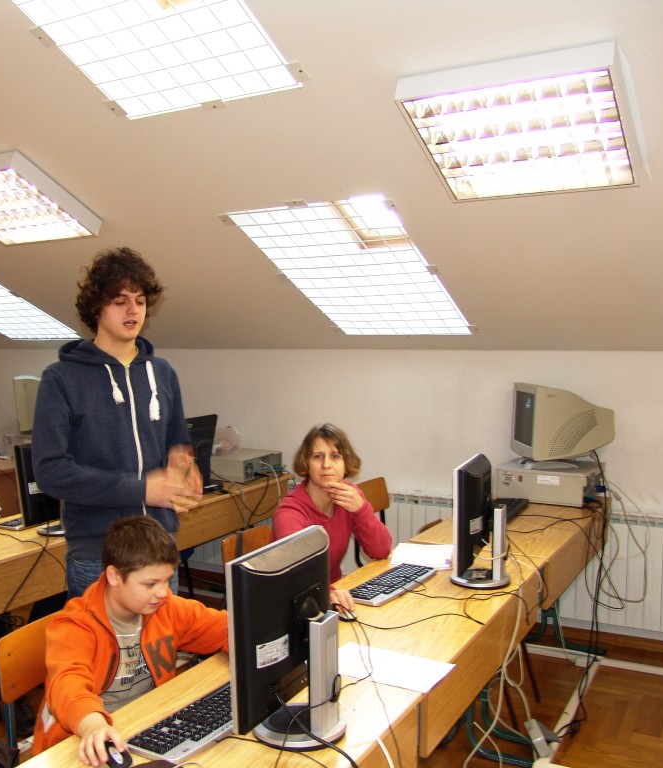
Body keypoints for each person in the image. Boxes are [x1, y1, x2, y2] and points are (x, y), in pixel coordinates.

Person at [31, 247, 200, 599]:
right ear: (97, 307)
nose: (133, 310)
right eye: (120, 301)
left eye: (140, 301)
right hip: (99, 556)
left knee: (163, 638)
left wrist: (183, 464)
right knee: (102, 640)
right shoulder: (61, 379)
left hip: (159, 548)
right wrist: (140, 490)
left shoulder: (162, 372)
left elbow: (177, 440)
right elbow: (50, 472)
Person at [33, 515, 228, 763]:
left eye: (167, 580)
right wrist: (93, 724)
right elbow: (66, 684)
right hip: (81, 736)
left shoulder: (165, 607)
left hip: (143, 720)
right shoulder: (75, 625)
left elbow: (225, 628)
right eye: (150, 584)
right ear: (114, 576)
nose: (162, 592)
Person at [272, 423, 393, 611]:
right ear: (306, 463)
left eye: (335, 456)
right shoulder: (290, 512)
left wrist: (361, 509)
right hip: (293, 603)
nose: (326, 465)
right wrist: (328, 593)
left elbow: (381, 550)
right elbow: (298, 572)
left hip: (333, 593)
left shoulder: (350, 495)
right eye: (317, 456)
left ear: (346, 463)